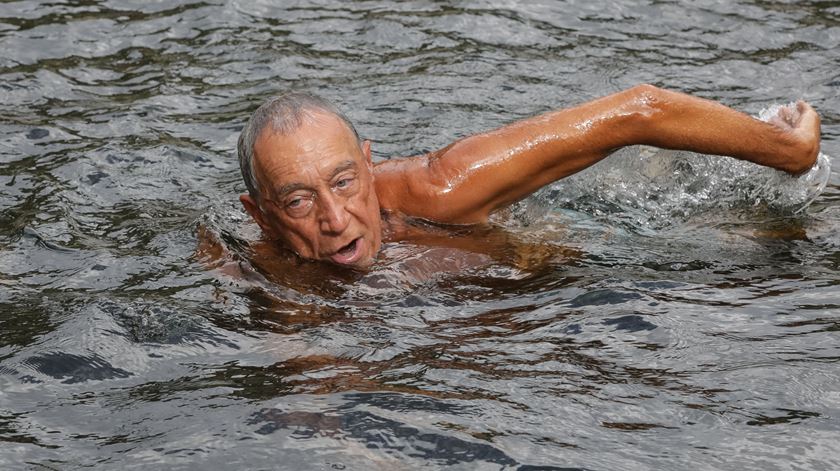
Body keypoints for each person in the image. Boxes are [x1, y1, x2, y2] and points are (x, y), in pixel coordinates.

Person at [236, 84, 820, 269]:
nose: (336, 220)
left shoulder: (442, 187)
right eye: (297, 201)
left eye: (344, 183)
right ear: (259, 213)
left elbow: (639, 111)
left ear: (369, 163)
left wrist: (787, 150)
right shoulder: (245, 260)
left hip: (584, 242)